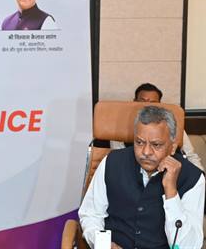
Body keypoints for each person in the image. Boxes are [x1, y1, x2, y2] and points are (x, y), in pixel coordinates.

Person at [79, 106, 204, 249]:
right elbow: (91, 214)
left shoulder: (193, 179)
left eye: (156, 145)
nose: (146, 152)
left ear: (173, 147)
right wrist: (104, 245)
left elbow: (188, 246)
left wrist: (171, 192)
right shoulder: (111, 162)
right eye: (139, 142)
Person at [110, 83, 204, 171]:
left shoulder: (170, 125)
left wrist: (201, 176)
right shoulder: (120, 128)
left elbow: (191, 156)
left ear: (160, 105)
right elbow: (120, 159)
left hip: (169, 171)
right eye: (142, 102)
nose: (147, 106)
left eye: (153, 103)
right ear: (134, 102)